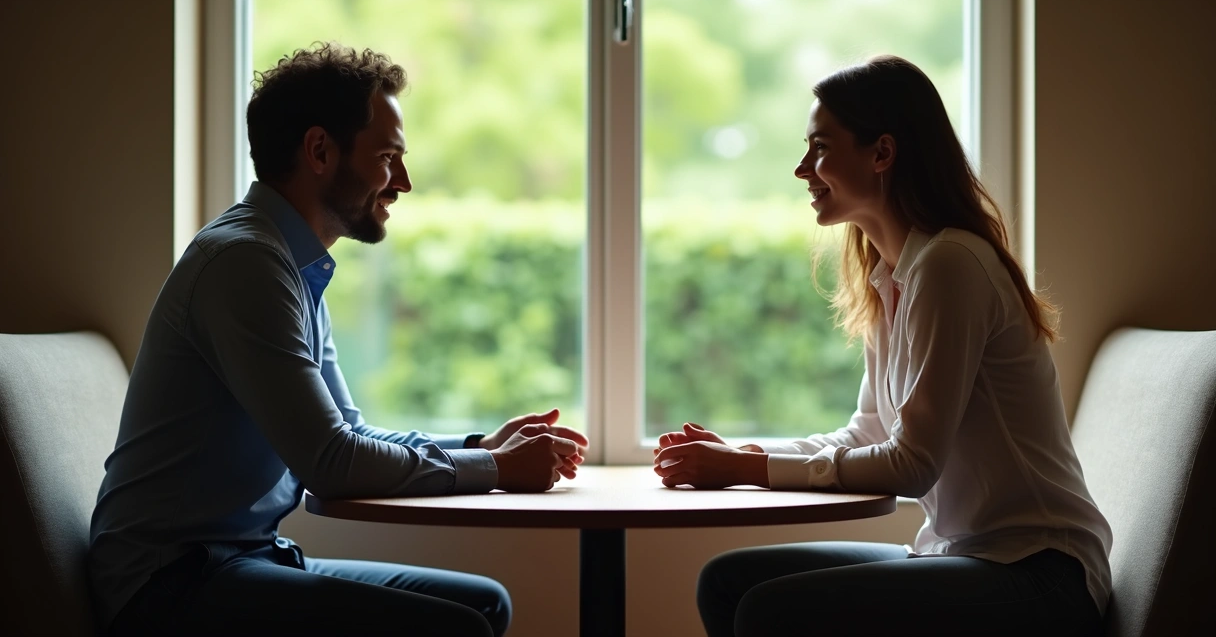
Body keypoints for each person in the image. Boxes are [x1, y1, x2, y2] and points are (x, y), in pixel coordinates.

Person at [88, 42, 587, 637]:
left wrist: (481, 443)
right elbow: (332, 463)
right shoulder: (246, 263)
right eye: (387, 156)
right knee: (457, 627)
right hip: (170, 583)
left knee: (484, 605)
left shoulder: (291, 265)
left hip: (241, 557)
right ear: (320, 150)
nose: (403, 180)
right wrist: (496, 469)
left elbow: (346, 434)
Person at [652, 55, 1111, 637]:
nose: (801, 169)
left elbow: (912, 465)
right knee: (726, 581)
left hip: (1040, 573)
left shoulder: (951, 265)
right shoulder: (891, 276)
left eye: (820, 147)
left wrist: (748, 468)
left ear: (882, 153)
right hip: (957, 554)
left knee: (768, 611)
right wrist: (741, 454)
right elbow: (868, 433)